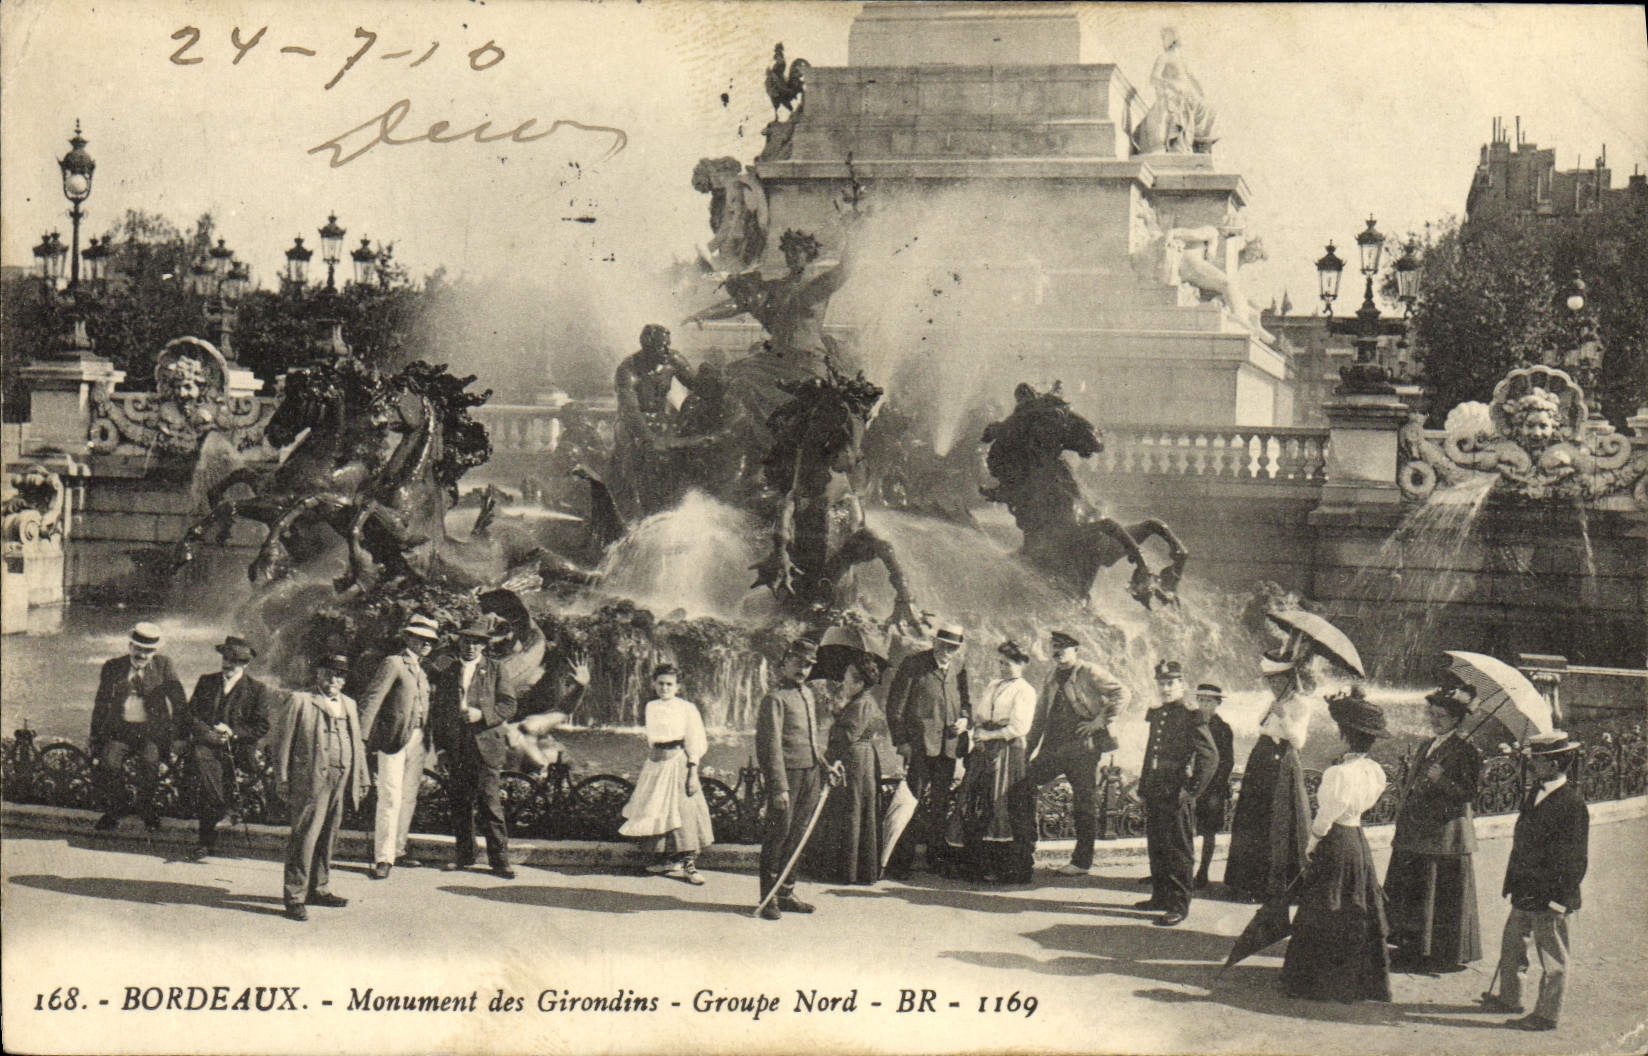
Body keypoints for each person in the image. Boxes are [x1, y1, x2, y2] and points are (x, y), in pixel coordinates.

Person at [1278, 687, 1392, 1003]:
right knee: (1355, 904)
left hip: (1336, 841)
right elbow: (1361, 805)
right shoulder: (1374, 771)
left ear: (1344, 736)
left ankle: (1317, 979)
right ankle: (1356, 975)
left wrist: (1312, 842)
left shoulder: (1338, 773)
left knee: (1325, 905)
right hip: (1357, 840)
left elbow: (1328, 814)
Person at [1479, 732, 1589, 1033]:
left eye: (1537, 760)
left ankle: (1546, 1015)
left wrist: (1559, 901)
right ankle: (1509, 997)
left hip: (1551, 895)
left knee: (1552, 957)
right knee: (1513, 943)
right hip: (1526, 888)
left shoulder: (1572, 803)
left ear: (1553, 764)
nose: (1531, 764)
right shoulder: (1535, 792)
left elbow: (1576, 859)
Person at [1009, 630, 1127, 880]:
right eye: (1055, 649)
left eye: (1064, 648)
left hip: (1083, 750)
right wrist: (1028, 751)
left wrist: (1098, 722)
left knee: (1084, 804)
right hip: (1053, 748)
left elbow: (1122, 694)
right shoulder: (1051, 676)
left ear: (1076, 650)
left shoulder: (1089, 672)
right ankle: (1023, 850)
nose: (1059, 653)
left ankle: (1082, 862)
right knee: (1022, 785)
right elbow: (1040, 716)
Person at [1385, 684, 1483, 973]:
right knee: (1416, 891)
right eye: (1433, 714)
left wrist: (1441, 780)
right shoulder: (1428, 744)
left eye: (1441, 716)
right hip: (1417, 832)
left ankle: (1437, 954)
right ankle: (1413, 948)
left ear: (1456, 719)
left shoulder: (1466, 751)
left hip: (1444, 835)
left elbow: (1469, 793)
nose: (1434, 720)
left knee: (1435, 893)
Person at [277, 654, 369, 923]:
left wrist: (361, 777)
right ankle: (295, 896)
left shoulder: (349, 704)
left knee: (329, 835)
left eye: (339, 675)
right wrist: (282, 779)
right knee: (305, 836)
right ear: (317, 675)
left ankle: (319, 888)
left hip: (341, 777)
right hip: (310, 779)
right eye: (328, 674)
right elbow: (282, 744)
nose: (333, 680)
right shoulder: (300, 700)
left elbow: (357, 745)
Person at [1223, 639, 1314, 902]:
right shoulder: (1272, 701)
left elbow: (1298, 741)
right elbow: (1262, 726)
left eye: (1279, 681)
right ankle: (1245, 882)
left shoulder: (1301, 704)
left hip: (1281, 762)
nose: (1274, 686)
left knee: (1276, 822)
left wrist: (1283, 715)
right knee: (1252, 819)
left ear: (1290, 679)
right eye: (1271, 681)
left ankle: (1273, 885)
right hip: (1261, 759)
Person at [433, 617, 520, 879]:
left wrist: (482, 715)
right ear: (459, 642)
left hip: (485, 747)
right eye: (466, 641)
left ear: (484, 646)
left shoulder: (495, 669)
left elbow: (509, 705)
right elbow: (439, 712)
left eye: (476, 642)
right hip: (457, 748)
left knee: (490, 804)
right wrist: (441, 749)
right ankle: (465, 856)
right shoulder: (447, 671)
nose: (470, 646)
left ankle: (500, 861)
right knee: (460, 804)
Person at [945, 640, 1037, 884]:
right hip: (985, 747)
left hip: (1008, 751)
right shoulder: (994, 685)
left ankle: (1004, 867)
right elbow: (981, 716)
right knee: (974, 799)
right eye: (1000, 663)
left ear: (1021, 664)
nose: (1002, 668)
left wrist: (990, 735)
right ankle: (973, 863)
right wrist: (978, 734)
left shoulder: (1025, 690)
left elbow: (1019, 727)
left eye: (1007, 664)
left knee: (1000, 803)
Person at [884, 623, 971, 878]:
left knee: (941, 804)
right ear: (935, 642)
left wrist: (965, 719)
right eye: (944, 645)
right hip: (920, 747)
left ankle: (937, 859)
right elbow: (895, 706)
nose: (948, 651)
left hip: (948, 747)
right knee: (912, 801)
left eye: (953, 648)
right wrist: (902, 742)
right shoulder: (914, 664)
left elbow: (966, 702)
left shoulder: (958, 667)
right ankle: (900, 862)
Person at [1136, 661, 1218, 927]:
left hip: (1176, 788)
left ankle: (1179, 905)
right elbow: (1151, 752)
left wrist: (1192, 790)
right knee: (1157, 843)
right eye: (1161, 683)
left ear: (1181, 685)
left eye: (1171, 683)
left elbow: (1210, 756)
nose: (1165, 688)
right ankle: (1160, 896)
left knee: (1179, 848)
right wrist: (1144, 784)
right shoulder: (1158, 714)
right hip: (1156, 785)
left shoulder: (1190, 715)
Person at [357, 615, 438, 880]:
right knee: (389, 796)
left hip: (418, 741)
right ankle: (383, 857)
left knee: (408, 797)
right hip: (393, 739)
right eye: (420, 638)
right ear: (408, 638)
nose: (426, 644)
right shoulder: (393, 663)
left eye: (430, 640)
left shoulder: (424, 670)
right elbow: (372, 699)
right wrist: (362, 739)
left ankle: (399, 850)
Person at [619, 663, 714, 885]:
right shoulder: (651, 707)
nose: (664, 688)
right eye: (660, 683)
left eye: (669, 684)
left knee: (683, 811)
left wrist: (692, 771)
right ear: (654, 684)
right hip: (656, 763)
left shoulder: (687, 708)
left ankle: (689, 865)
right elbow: (653, 738)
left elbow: (695, 740)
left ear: (677, 687)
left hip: (678, 762)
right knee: (657, 810)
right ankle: (669, 860)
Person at [756, 639, 829, 919]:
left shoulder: (807, 695)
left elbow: (811, 739)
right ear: (785, 662)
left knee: (798, 835)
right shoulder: (775, 699)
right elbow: (769, 746)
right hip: (787, 777)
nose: (803, 669)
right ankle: (769, 897)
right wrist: (778, 787)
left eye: (809, 665)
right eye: (798, 662)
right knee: (779, 835)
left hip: (810, 772)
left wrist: (823, 764)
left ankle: (786, 892)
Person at [90, 622, 187, 833]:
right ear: (130, 646)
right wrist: (95, 738)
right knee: (109, 762)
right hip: (121, 731)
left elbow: (179, 702)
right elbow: (101, 705)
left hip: (151, 733)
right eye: (138, 648)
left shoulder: (164, 665)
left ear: (155, 651)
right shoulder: (113, 667)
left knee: (150, 762)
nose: (142, 655)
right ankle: (117, 809)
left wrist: (180, 736)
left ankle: (146, 808)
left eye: (148, 651)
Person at [187, 635, 275, 862]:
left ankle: (210, 834)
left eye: (234, 661)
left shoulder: (256, 689)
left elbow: (262, 726)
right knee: (202, 760)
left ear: (245, 665)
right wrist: (207, 732)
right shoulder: (207, 681)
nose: (227, 664)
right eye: (226, 658)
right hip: (209, 744)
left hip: (239, 749)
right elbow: (191, 714)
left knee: (214, 779)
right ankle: (211, 833)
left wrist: (233, 733)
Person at [815, 647, 889, 885]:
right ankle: (844, 867)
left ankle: (849, 870)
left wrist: (836, 718)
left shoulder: (863, 704)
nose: (843, 683)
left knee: (853, 811)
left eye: (847, 679)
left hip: (856, 762)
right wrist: (838, 712)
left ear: (859, 683)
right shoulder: (858, 701)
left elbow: (848, 735)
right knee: (849, 811)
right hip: (855, 760)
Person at [612, 323, 698, 516]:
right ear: (647, 347)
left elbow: (698, 385)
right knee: (637, 461)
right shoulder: (627, 370)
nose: (667, 351)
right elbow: (630, 410)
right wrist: (648, 439)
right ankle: (632, 508)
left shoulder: (673, 360)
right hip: (632, 424)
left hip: (662, 418)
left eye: (668, 345)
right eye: (661, 347)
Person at [1193, 682, 1235, 890]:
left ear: (1217, 703)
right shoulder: (1189, 722)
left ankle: (1203, 871)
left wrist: (1214, 785)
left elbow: (1227, 761)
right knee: (1184, 829)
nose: (1203, 705)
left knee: (1209, 832)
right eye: (1200, 700)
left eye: (1208, 701)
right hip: (1191, 784)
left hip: (1213, 787)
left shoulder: (1223, 729)